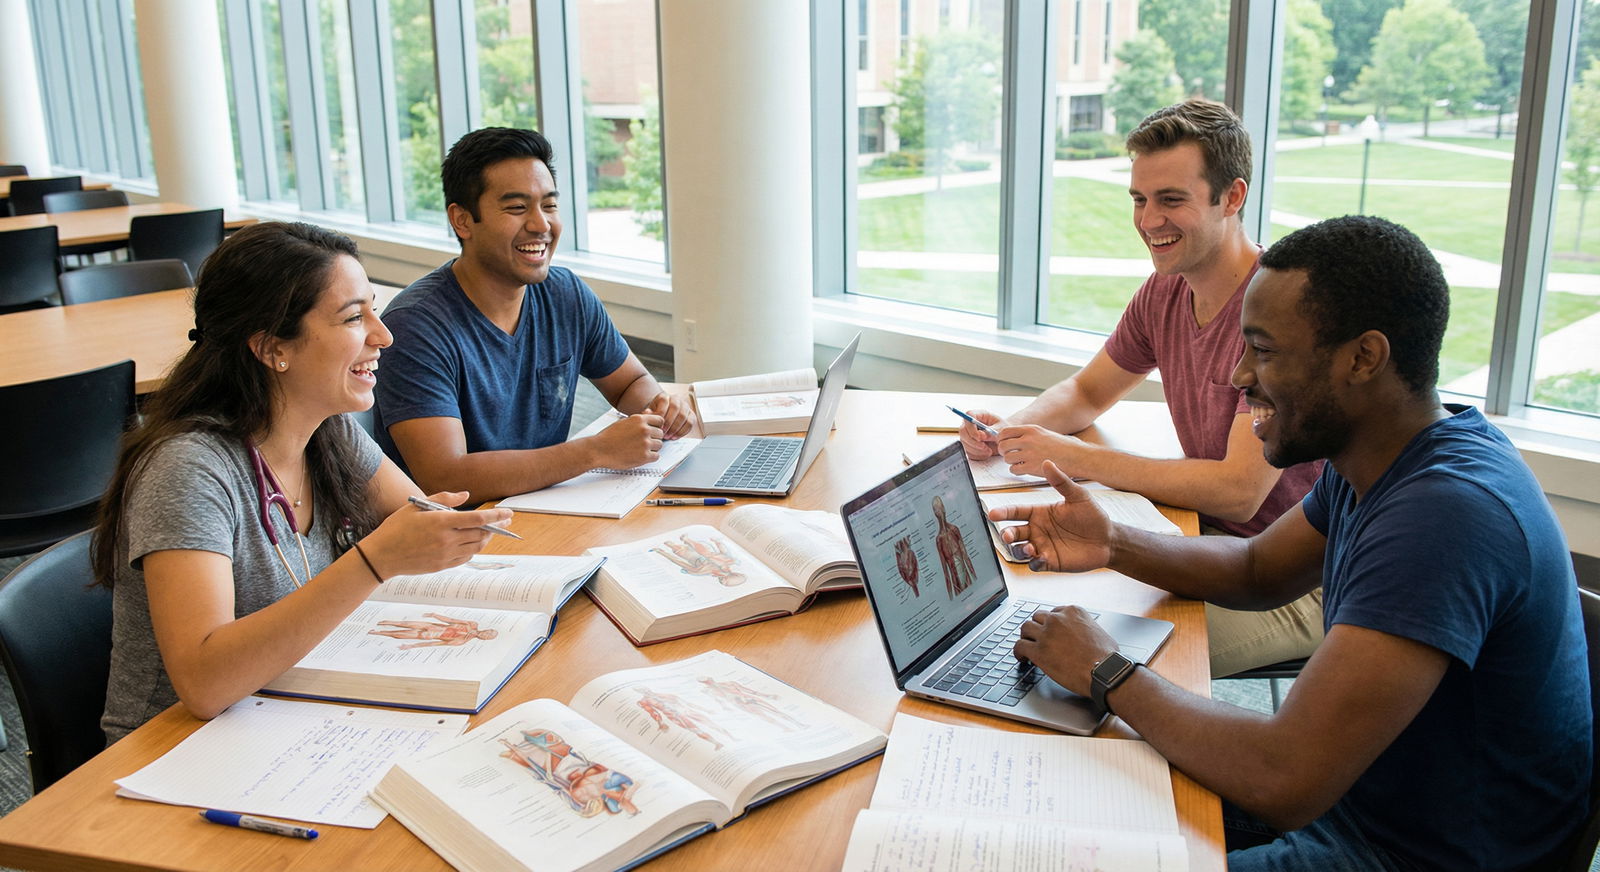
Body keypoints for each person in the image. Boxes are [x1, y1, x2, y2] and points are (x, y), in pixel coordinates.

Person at [997, 215, 1591, 870]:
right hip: (1360, 802)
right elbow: (1257, 569)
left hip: (1404, 851)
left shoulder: (1444, 518)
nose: (1238, 375)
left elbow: (1283, 778)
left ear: (1363, 358)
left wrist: (1108, 671)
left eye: (1265, 351)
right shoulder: (1380, 456)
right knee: (1061, 793)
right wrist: (1115, 542)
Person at [95, 221, 513, 744]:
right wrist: (374, 560)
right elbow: (203, 685)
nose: (383, 335)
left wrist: (446, 535)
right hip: (176, 748)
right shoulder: (188, 469)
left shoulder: (328, 430)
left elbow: (420, 523)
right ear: (273, 348)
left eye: (374, 310)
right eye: (354, 318)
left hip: (287, 707)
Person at [958, 99, 1323, 676]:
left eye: (1171, 200)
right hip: (1208, 540)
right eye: (1139, 199)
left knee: (1091, 667)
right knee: (1036, 618)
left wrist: (1080, 458)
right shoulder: (1166, 290)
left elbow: (1238, 491)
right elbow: (1086, 392)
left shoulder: (1276, 310)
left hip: (1296, 576)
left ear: (1232, 197)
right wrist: (1009, 430)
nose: (1149, 221)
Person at [375, 127, 694, 502]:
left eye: (549, 205)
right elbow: (445, 476)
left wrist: (659, 408)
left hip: (547, 504)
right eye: (517, 208)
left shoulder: (565, 293)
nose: (541, 225)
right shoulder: (415, 326)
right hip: (462, 529)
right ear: (462, 220)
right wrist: (594, 451)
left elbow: (629, 382)